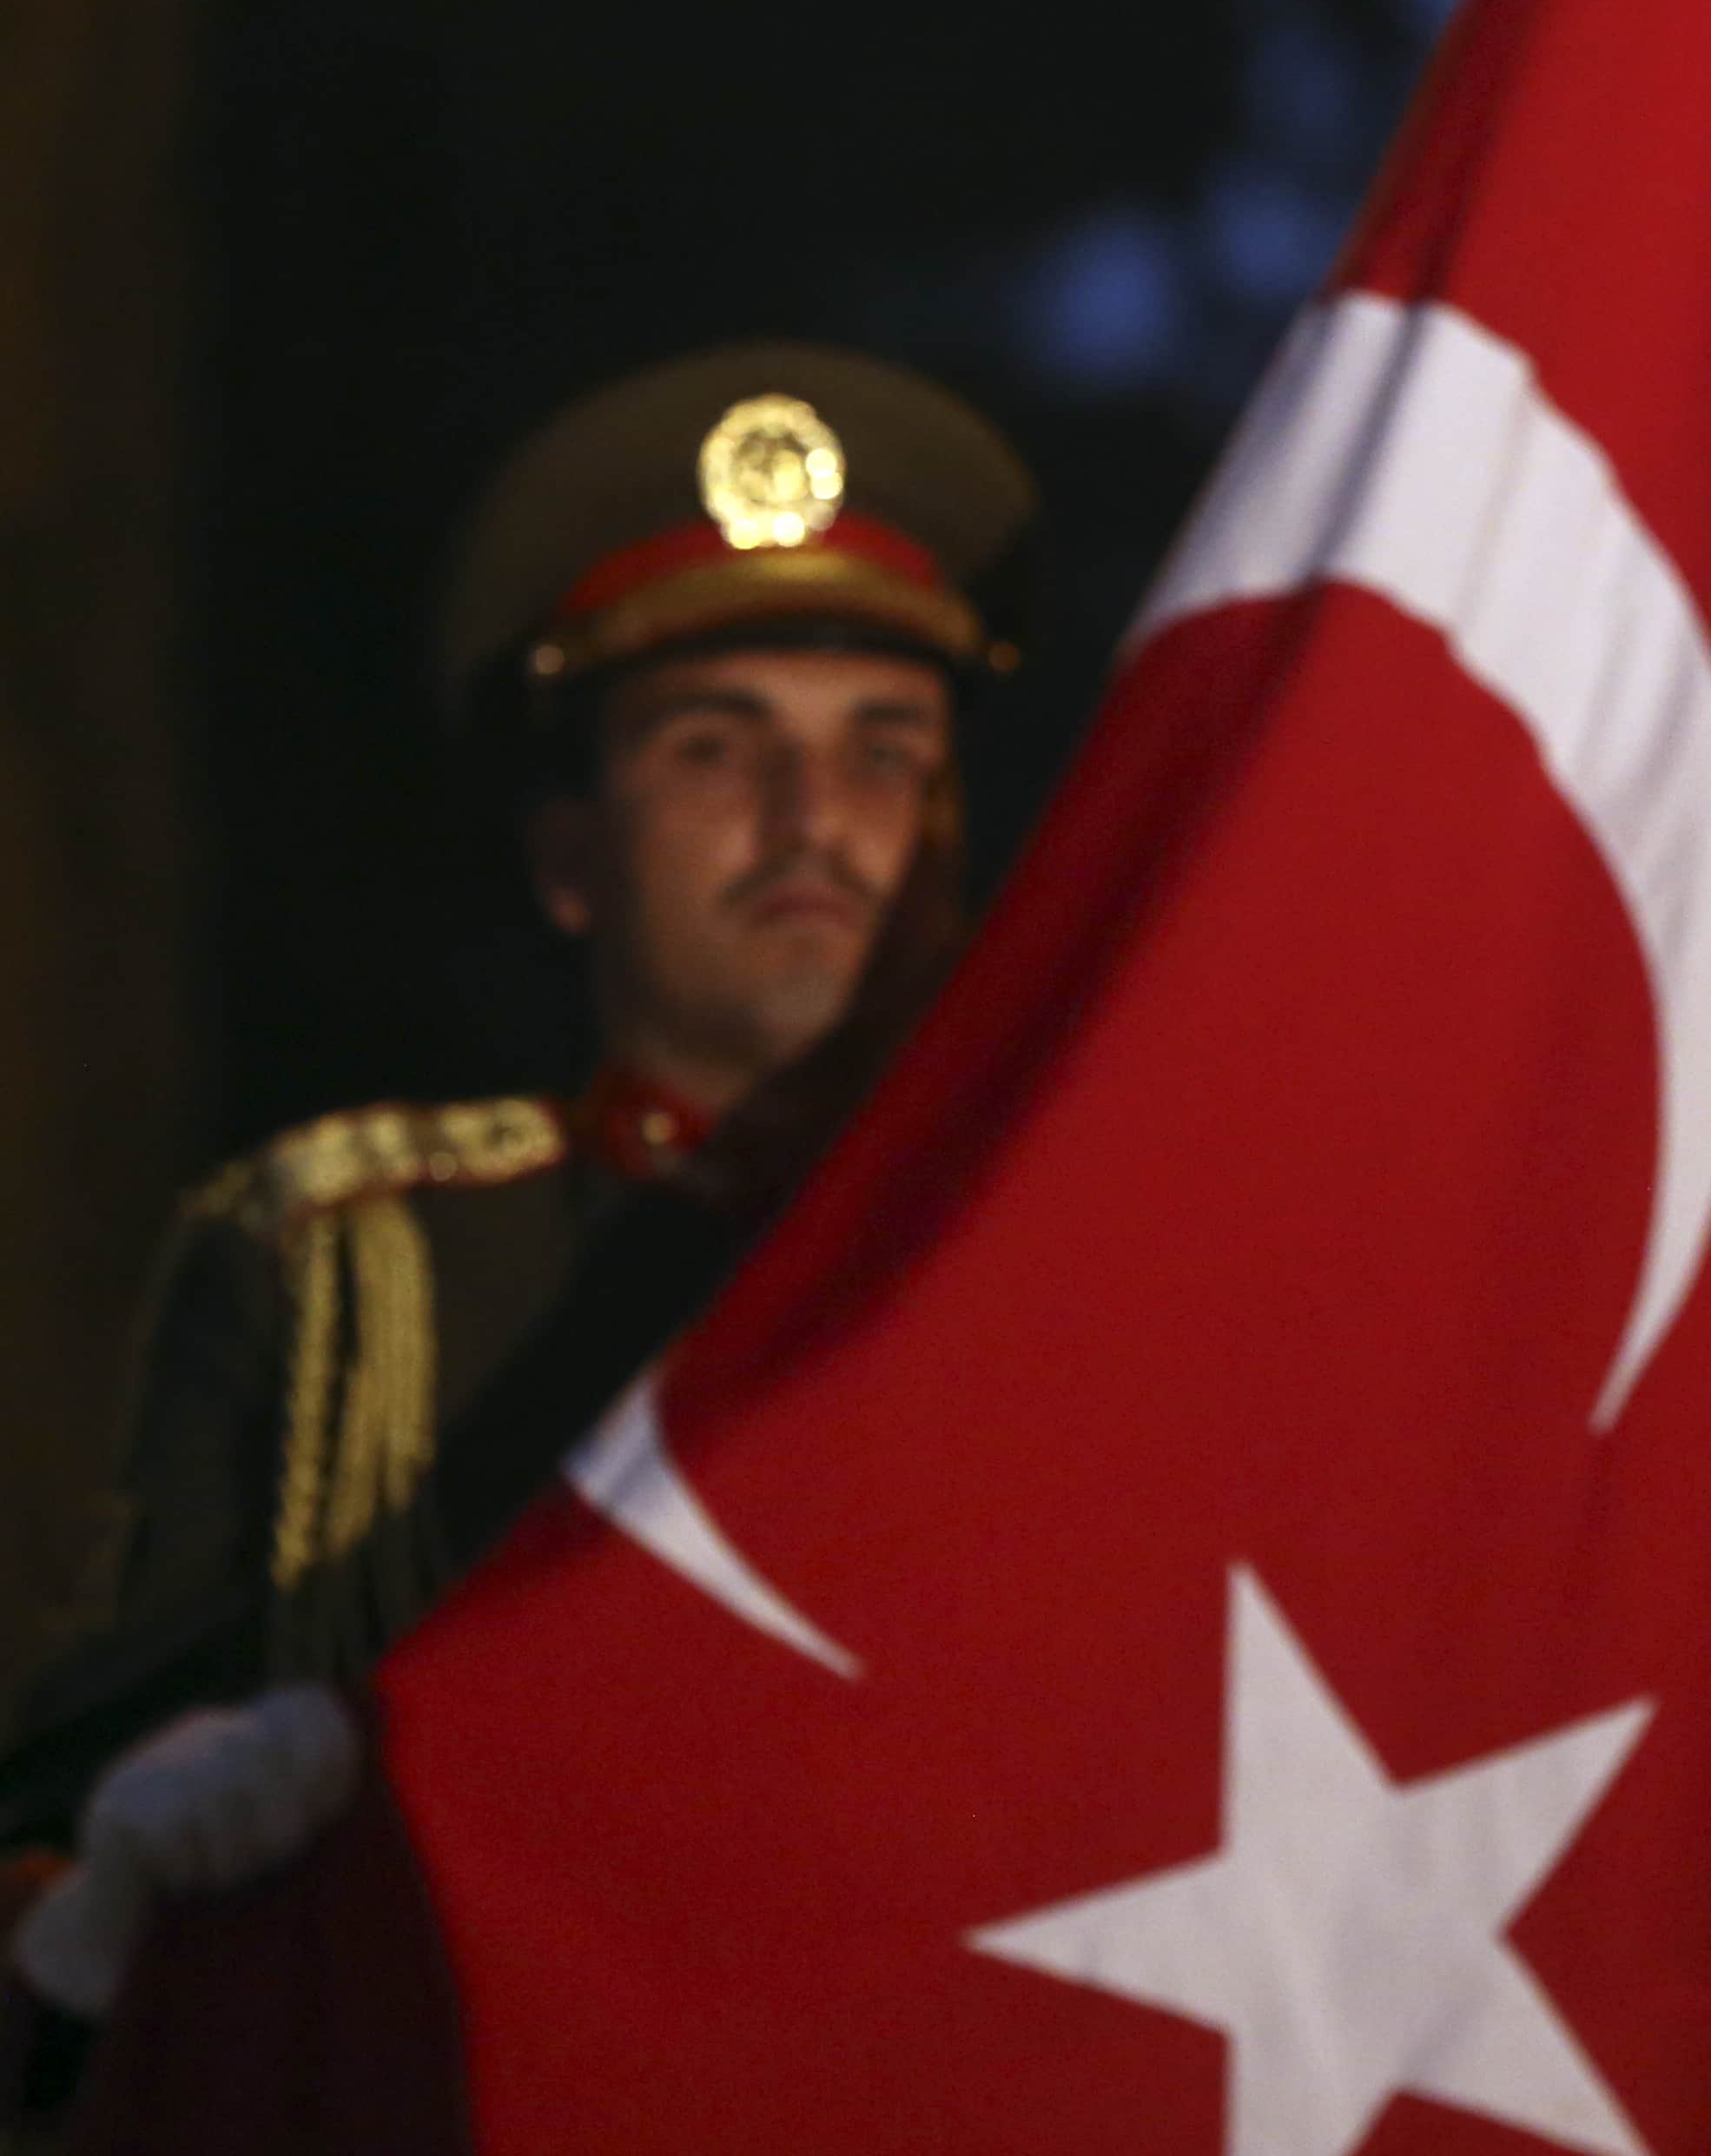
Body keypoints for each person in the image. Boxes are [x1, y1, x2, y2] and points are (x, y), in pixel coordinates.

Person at [0, 342, 1030, 2100]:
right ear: (568, 861)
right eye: (719, 751)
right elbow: (48, 1867)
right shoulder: (346, 1265)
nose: (811, 823)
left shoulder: (1053, 1271)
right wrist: (100, 1906)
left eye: (880, 756)